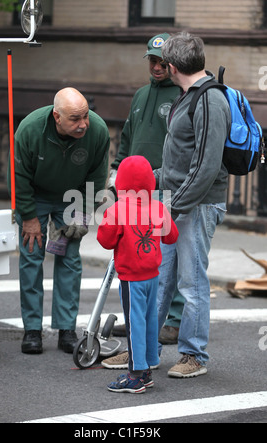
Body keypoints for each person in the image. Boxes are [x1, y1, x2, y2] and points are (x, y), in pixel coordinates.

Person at [103, 33, 184, 367]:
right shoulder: (138, 95)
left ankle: (172, 319)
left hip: (163, 183)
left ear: (171, 63)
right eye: (151, 60)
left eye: (162, 61)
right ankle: (139, 315)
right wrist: (115, 170)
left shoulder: (181, 95)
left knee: (165, 253)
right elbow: (127, 137)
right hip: (133, 187)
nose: (156, 66)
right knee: (140, 249)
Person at [10, 87, 110, 355]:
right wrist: (29, 216)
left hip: (71, 197)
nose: (83, 124)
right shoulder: (30, 130)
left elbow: (98, 176)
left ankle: (66, 328)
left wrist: (84, 212)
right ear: (57, 116)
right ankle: (32, 329)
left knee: (70, 259)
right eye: (75, 119)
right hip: (37, 196)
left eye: (85, 116)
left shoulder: (97, 131)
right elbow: (19, 176)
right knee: (32, 257)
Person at [154, 31, 231, 377]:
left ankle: (194, 356)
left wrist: (173, 206)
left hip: (197, 206)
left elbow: (206, 166)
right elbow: (182, 159)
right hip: (177, 201)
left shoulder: (210, 100)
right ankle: (144, 350)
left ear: (172, 66)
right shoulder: (189, 95)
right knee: (159, 279)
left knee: (192, 282)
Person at [97, 156, 178, 393]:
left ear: (121, 182)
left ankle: (136, 375)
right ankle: (149, 367)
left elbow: (105, 240)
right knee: (151, 321)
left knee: (135, 324)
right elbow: (171, 237)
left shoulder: (117, 209)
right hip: (153, 276)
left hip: (132, 279)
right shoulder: (158, 206)